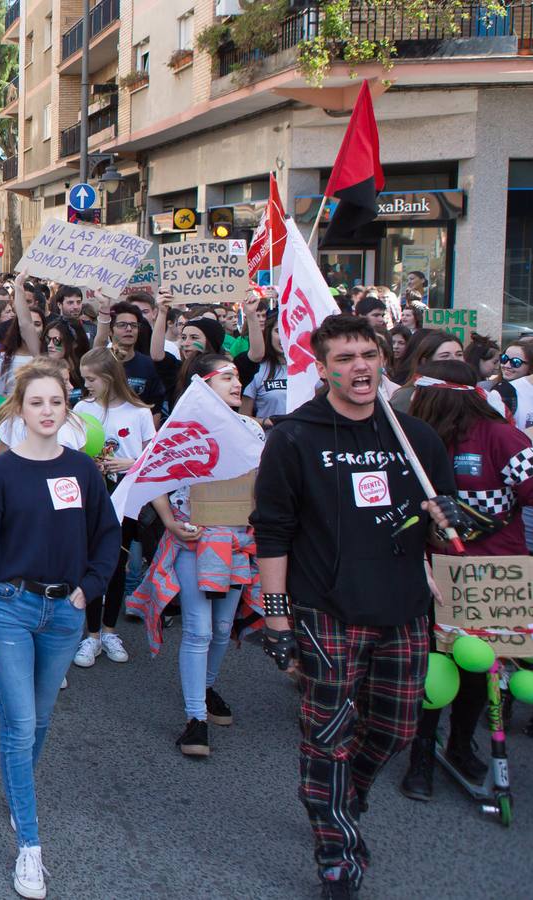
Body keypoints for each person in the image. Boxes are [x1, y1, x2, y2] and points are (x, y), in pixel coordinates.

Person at [250, 315, 459, 898]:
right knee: (327, 733)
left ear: (382, 361)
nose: (359, 367)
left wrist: (447, 524)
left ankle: (347, 792)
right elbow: (272, 531)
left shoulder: (418, 438)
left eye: (367, 354)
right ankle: (335, 846)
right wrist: (276, 617)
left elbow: (440, 525)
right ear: (323, 370)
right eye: (343, 359)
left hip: (404, 607)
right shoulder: (295, 436)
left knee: (395, 728)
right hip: (326, 609)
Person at [0, 362, 119, 899]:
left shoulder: (83, 471)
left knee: (42, 721)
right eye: (37, 402)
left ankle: (17, 789)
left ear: (67, 408)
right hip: (10, 608)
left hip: (66, 613)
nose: (48, 411)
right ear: (19, 409)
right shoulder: (1, 473)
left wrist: (89, 587)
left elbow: (107, 534)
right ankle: (30, 847)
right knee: (20, 724)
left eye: (56, 402)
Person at [397, 360, 530, 800]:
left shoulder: (502, 436)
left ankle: (459, 744)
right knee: (434, 663)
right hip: (433, 570)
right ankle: (420, 755)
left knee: (480, 668)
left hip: (494, 571)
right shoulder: (412, 439)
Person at [126, 355, 264, 757]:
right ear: (203, 385)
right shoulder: (181, 431)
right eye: (226, 378)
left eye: (237, 377)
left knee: (223, 629)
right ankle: (195, 719)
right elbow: (152, 475)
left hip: (237, 543)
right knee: (199, 630)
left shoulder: (253, 430)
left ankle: (205, 688)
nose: (237, 384)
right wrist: (169, 522)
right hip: (194, 541)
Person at [72, 348, 156, 669]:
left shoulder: (139, 412)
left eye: (91, 378)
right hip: (91, 495)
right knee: (93, 562)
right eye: (85, 378)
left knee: (118, 563)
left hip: (127, 497)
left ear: (108, 377)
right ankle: (91, 635)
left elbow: (153, 458)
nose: (87, 384)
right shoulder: (82, 407)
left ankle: (109, 631)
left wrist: (130, 463)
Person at [95, 301, 166, 415]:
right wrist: (104, 308)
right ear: (110, 330)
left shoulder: (148, 365)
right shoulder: (102, 362)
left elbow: (155, 409)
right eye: (122, 325)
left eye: (133, 325)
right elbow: (99, 343)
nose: (129, 329)